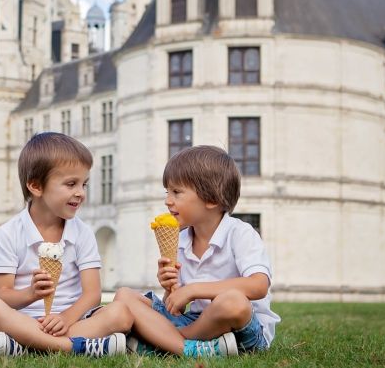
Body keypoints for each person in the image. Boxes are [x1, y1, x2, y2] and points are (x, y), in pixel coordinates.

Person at [111, 145, 280, 357]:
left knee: (232, 301)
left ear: (211, 199)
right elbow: (176, 309)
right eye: (167, 192)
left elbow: (258, 285)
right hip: (197, 322)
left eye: (177, 192)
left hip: (243, 330)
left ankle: (168, 343)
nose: (167, 200)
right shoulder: (180, 240)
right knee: (124, 296)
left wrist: (193, 289)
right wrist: (171, 289)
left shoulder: (240, 233)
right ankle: (189, 348)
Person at [0, 132, 130, 357]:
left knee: (121, 313)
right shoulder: (8, 233)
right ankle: (73, 347)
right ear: (36, 186)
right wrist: (31, 293)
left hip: (72, 321)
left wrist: (65, 318)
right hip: (23, 321)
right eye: (71, 184)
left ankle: (27, 346)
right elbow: (4, 294)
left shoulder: (82, 232)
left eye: (84, 184)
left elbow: (92, 294)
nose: (80, 193)